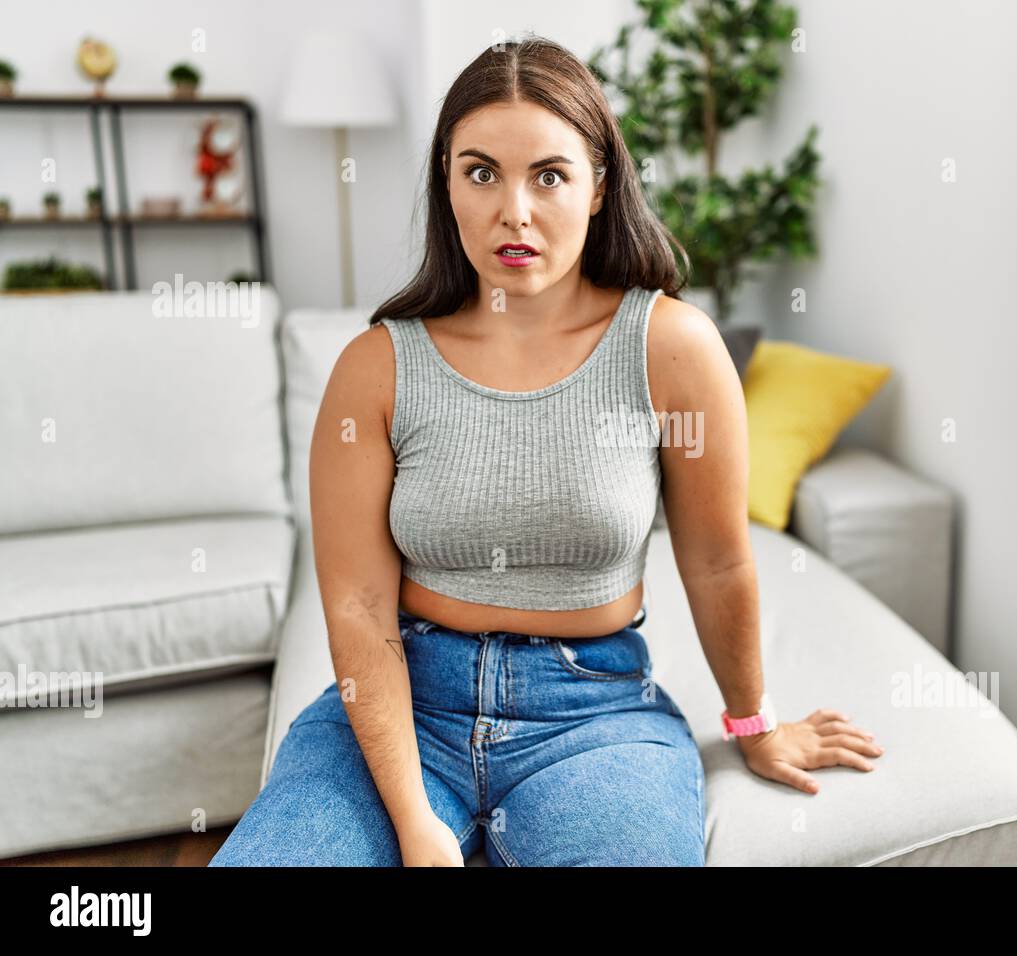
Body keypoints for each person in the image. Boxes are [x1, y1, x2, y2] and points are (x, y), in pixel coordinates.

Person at [210, 35, 882, 868]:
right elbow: (356, 609)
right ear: (446, 183)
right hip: (403, 707)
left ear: (600, 186)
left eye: (550, 175)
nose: (514, 212)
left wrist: (755, 724)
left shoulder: (671, 347)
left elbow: (717, 563)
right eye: (481, 172)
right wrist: (415, 821)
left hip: (597, 719)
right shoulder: (375, 367)